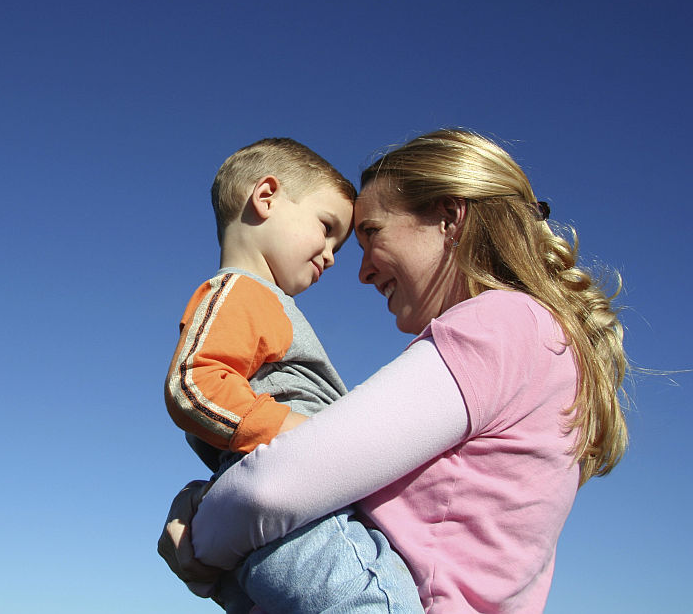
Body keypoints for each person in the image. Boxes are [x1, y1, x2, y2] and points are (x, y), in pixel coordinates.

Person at [159, 129, 629, 613]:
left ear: (450, 217)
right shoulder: (541, 345)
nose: (359, 271)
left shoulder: (501, 324)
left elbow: (271, 488)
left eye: (372, 233)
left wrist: (197, 541)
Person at [164, 138, 422, 613]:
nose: (331, 255)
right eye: (327, 229)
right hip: (296, 518)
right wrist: (301, 437)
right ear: (266, 197)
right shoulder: (241, 290)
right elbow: (193, 383)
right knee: (373, 601)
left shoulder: (264, 301)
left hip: (282, 518)